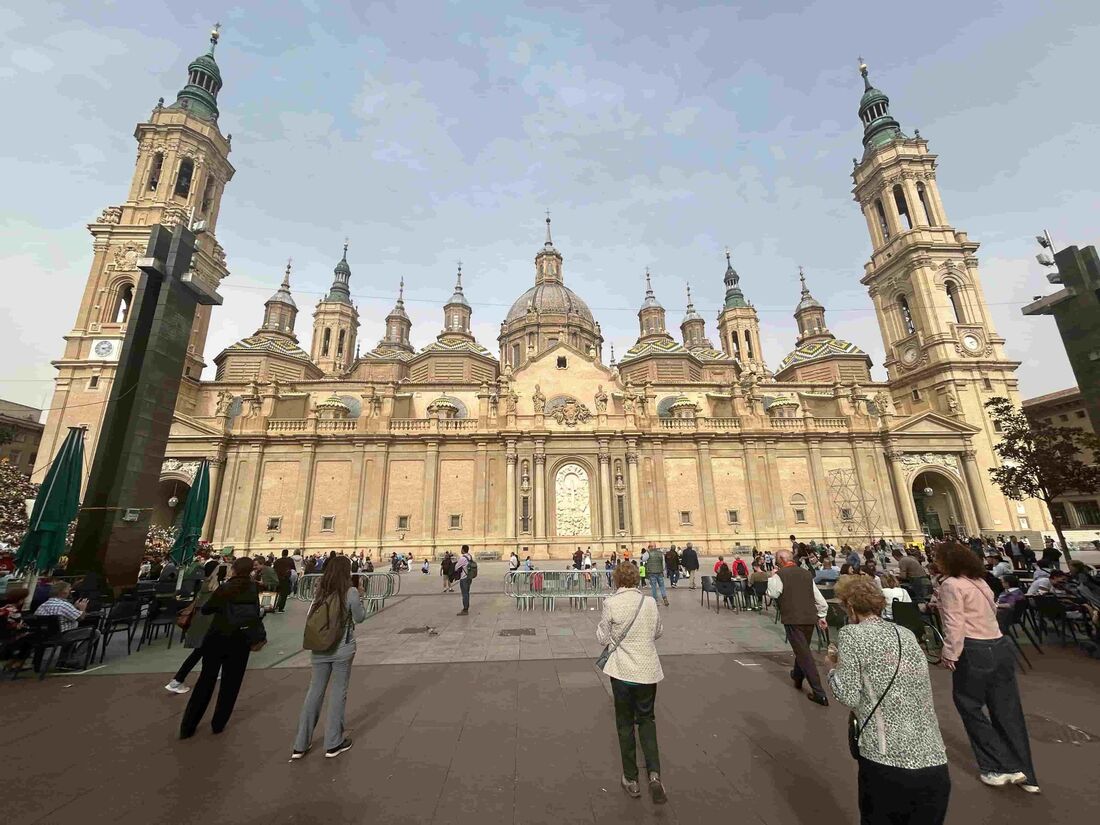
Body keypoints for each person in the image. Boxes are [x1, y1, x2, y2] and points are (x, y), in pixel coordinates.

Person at [827, 576, 950, 824]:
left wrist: (832, 668)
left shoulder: (852, 635)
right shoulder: (905, 633)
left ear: (850, 607)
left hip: (886, 758)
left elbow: (848, 694)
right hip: (934, 757)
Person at [937, 542, 1039, 793]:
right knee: (1008, 711)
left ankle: (997, 767)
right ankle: (1027, 774)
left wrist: (950, 653)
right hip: (1000, 647)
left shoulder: (950, 585)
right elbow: (992, 610)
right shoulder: (979, 582)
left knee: (969, 706)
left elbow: (954, 623)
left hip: (974, 650)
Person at [596, 562, 667, 804]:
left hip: (623, 672)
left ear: (616, 579)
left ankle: (631, 778)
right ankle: (655, 775)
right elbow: (658, 631)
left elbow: (602, 637)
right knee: (647, 719)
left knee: (625, 723)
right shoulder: (648, 602)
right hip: (647, 671)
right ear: (638, 579)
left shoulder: (611, 603)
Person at [179, 556, 265, 739]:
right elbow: (255, 613)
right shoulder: (252, 588)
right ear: (250, 571)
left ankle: (188, 726)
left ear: (233, 569)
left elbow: (207, 608)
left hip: (217, 638)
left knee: (205, 681)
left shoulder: (225, 588)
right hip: (241, 640)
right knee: (231, 684)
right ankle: (218, 724)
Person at [292, 555, 366, 759]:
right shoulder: (350, 591)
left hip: (319, 649)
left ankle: (300, 744)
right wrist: (361, 595)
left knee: (314, 693)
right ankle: (333, 743)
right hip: (342, 649)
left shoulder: (320, 591)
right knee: (337, 694)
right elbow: (360, 617)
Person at [766, 549, 829, 705]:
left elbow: (772, 593)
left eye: (776, 559)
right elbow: (819, 598)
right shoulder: (806, 573)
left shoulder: (780, 575)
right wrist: (822, 616)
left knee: (805, 654)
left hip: (793, 619)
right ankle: (797, 677)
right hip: (810, 618)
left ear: (780, 559)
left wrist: (772, 577)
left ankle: (819, 692)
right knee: (802, 649)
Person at [166, 560, 220, 694]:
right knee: (199, 652)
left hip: (201, 621)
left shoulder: (204, 584)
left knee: (204, 651)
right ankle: (177, 681)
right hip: (206, 623)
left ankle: (212, 672)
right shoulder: (212, 585)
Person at [34, 581, 99, 668]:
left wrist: (75, 608)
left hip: (43, 636)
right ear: (63, 592)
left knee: (70, 629)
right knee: (94, 632)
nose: (70, 592)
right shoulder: (64, 605)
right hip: (62, 636)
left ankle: (63, 659)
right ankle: (73, 658)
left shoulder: (42, 606)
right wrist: (82, 608)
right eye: (69, 590)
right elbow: (80, 618)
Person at [273, 549, 295, 613]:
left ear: (282, 553)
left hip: (277, 579)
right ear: (287, 554)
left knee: (277, 593)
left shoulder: (277, 561)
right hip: (285, 579)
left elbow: (274, 569)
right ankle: (281, 608)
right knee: (284, 595)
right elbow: (293, 569)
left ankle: (274, 606)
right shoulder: (290, 561)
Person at [455, 545, 474, 616]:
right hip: (469, 577)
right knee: (467, 593)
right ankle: (466, 607)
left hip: (464, 578)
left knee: (464, 594)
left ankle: (465, 609)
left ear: (463, 550)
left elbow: (456, 567)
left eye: (461, 549)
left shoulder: (463, 558)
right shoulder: (470, 556)